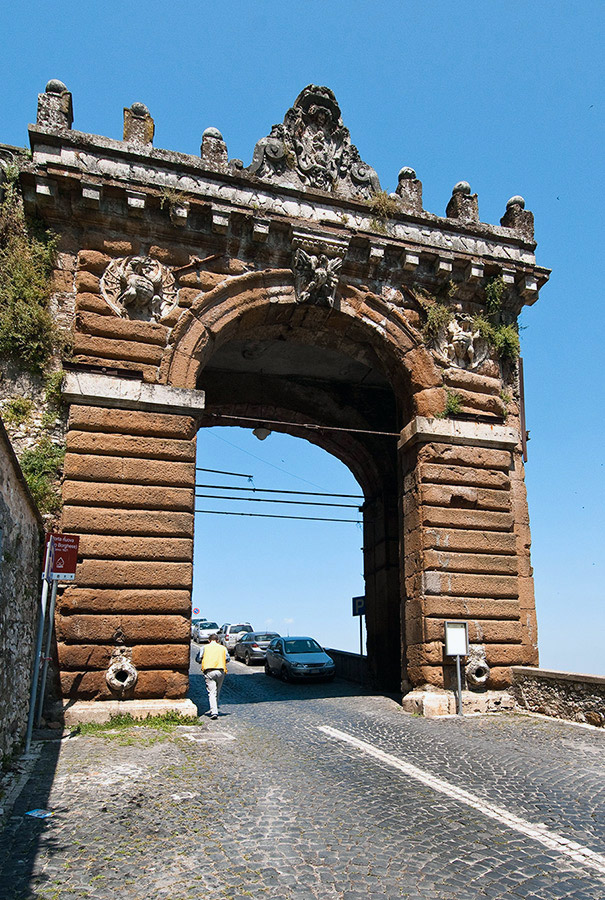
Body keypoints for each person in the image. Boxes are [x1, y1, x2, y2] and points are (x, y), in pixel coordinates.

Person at [199, 634, 228, 719]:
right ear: (217, 640)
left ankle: (214, 712)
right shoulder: (223, 648)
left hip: (209, 671)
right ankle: (215, 708)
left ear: (209, 640)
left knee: (212, 692)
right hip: (220, 670)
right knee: (217, 691)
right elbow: (228, 658)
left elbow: (198, 658)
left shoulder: (204, 648)